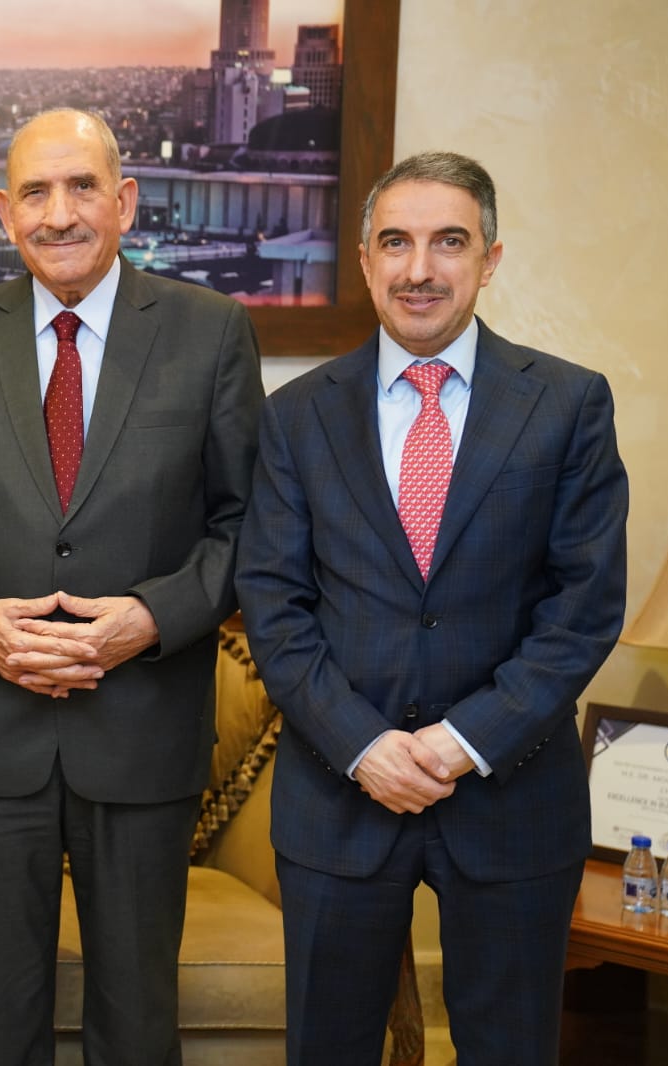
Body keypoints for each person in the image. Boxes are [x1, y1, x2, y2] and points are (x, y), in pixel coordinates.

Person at [0, 109, 263, 1064]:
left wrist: (151, 619)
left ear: (124, 201)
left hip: (143, 734)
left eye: (82, 187)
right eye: (36, 194)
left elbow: (248, 526)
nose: (59, 214)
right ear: (6, 213)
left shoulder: (210, 332)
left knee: (136, 1024)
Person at [234, 151, 629, 1066]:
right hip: (340, 798)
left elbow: (582, 608)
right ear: (365, 260)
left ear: (490, 259)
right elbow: (274, 605)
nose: (420, 269)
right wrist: (364, 746)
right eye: (396, 243)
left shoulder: (568, 403)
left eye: (449, 242)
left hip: (511, 798)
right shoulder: (296, 415)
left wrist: (462, 742)